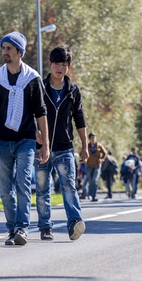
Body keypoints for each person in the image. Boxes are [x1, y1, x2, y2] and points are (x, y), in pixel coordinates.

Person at [0, 32, 49, 246]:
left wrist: (46, 143)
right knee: (6, 190)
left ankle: (22, 229)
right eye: (3, 48)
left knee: (23, 184)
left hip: (26, 139)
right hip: (1, 140)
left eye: (8, 48)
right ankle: (11, 229)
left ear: (19, 52)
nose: (4, 52)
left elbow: (41, 112)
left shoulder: (32, 79)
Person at [34, 46, 87, 241]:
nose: (60, 68)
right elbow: (29, 114)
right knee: (42, 189)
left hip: (65, 147)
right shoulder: (39, 87)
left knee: (69, 186)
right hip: (41, 148)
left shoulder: (73, 90)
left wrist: (84, 145)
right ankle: (45, 226)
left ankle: (75, 223)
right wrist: (34, 132)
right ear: (50, 64)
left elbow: (79, 119)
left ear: (69, 67)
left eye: (64, 65)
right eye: (57, 64)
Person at [85, 133, 107, 202]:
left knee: (95, 180)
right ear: (89, 139)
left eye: (94, 138)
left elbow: (105, 153)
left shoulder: (99, 145)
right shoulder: (87, 146)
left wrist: (102, 159)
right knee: (91, 181)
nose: (93, 139)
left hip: (97, 165)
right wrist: (85, 159)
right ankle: (90, 195)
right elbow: (81, 153)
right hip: (89, 166)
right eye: (92, 138)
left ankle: (94, 196)